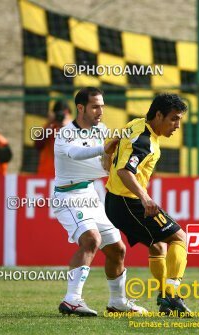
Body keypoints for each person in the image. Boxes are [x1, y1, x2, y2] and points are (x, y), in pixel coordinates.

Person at [53, 87, 147, 317]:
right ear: (81, 108)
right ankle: (71, 300)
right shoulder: (65, 134)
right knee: (90, 239)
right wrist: (104, 148)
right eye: (95, 106)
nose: (100, 111)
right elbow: (76, 154)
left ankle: (118, 302)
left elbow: (102, 164)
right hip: (69, 196)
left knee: (117, 250)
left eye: (102, 106)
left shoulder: (101, 130)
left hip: (92, 195)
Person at [105, 93, 192, 315]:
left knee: (158, 245)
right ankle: (171, 294)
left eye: (180, 119)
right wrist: (145, 198)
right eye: (174, 119)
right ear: (159, 115)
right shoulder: (145, 141)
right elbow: (125, 171)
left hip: (115, 201)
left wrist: (109, 152)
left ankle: (164, 296)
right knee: (180, 237)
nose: (177, 125)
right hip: (129, 202)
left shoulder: (135, 124)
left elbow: (115, 143)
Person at [35, 100, 72, 177]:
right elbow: (38, 145)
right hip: (47, 173)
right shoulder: (49, 127)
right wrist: (49, 123)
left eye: (64, 114)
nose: (61, 117)